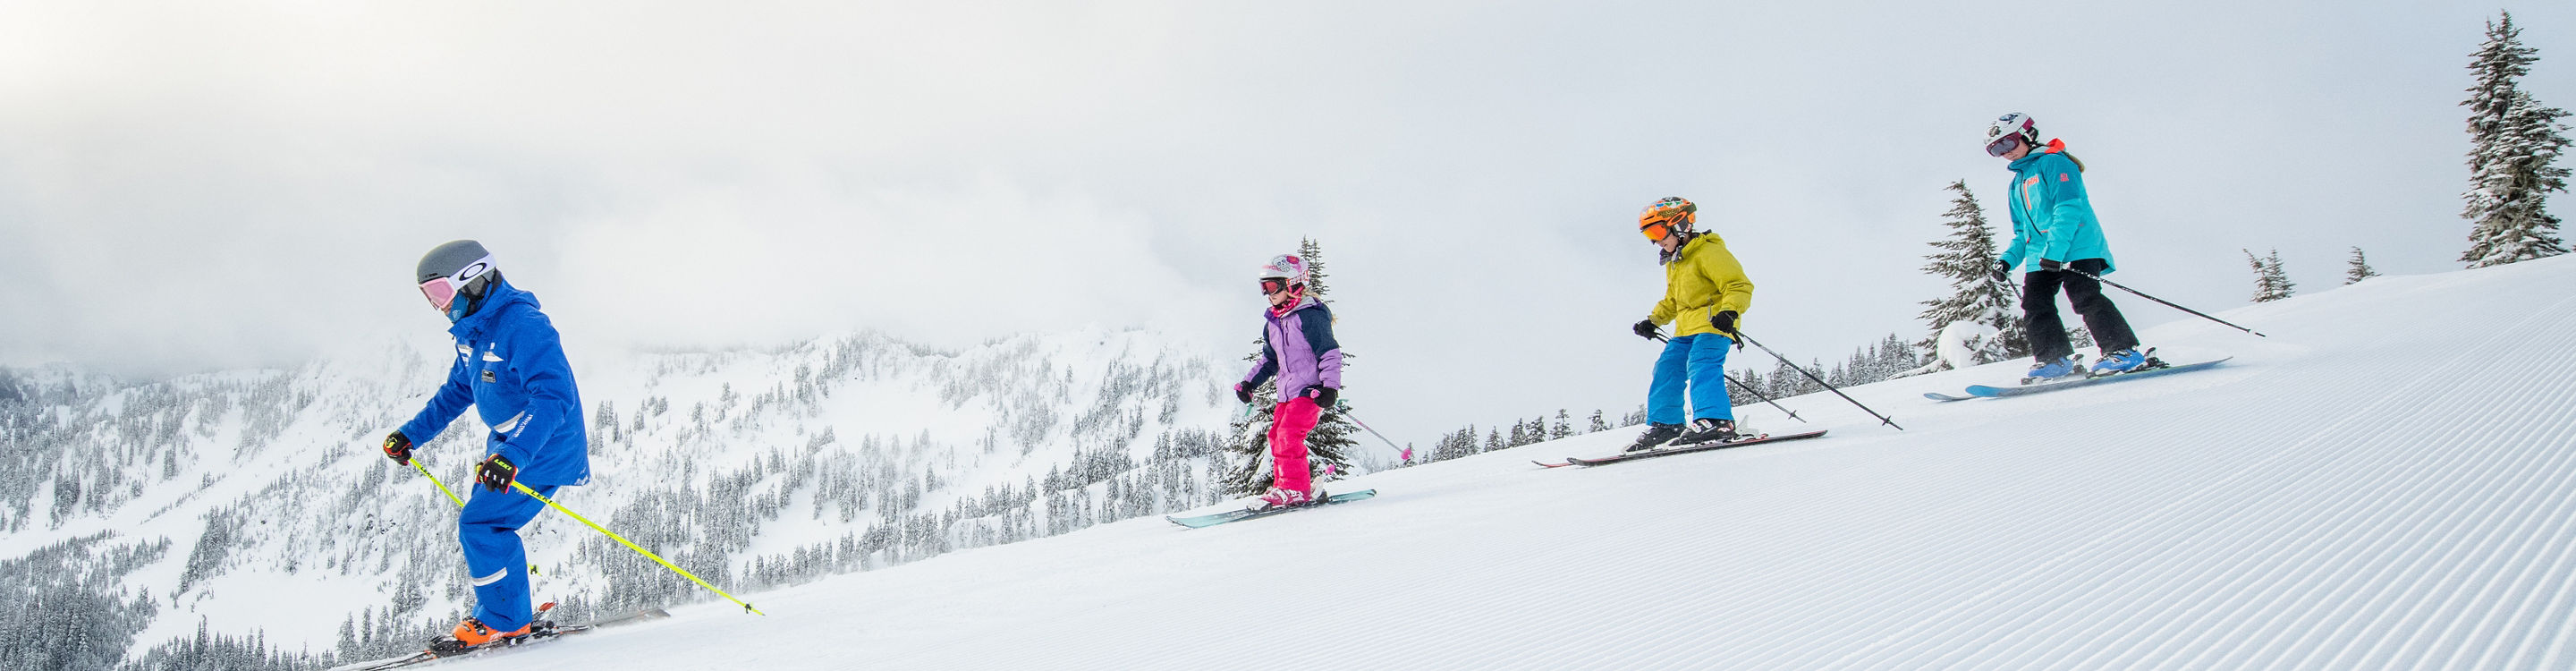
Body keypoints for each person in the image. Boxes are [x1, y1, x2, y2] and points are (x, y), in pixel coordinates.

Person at [378, 240, 591, 648]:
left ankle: (506, 620)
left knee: (482, 524)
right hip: (510, 446)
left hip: (543, 445)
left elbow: (554, 396)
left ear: (473, 281)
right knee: (486, 523)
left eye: (440, 292)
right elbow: (458, 391)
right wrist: (411, 435)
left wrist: (513, 454)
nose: (439, 306)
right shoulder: (474, 332)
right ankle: (510, 614)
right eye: (430, 297)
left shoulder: (523, 326)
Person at [1982, 113, 2150, 382]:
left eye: (2008, 143)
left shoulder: (2055, 163)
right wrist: (2007, 261)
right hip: (2042, 255)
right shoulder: (2016, 184)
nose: (2005, 153)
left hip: (2076, 246)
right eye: (1996, 150)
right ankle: (2054, 360)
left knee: (2084, 296)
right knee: (2035, 305)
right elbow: (2022, 233)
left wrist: (2056, 251)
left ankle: (2122, 351)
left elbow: (2068, 209)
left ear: (2027, 135)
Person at [1626, 197, 1755, 453]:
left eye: (1658, 231)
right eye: (1649, 234)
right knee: (1667, 368)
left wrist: (1729, 311)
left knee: (1701, 362)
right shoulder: (1677, 262)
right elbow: (1673, 300)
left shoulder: (1709, 252)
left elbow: (1738, 284)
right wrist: (1652, 321)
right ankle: (1667, 424)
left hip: (1714, 323)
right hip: (1686, 329)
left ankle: (1717, 421)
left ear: (1680, 224)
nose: (1655, 240)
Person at [1233, 253, 1343, 508]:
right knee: (1276, 435)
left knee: (1289, 434)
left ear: (1292, 283)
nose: (1267, 293)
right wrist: (1249, 383)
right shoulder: (1274, 321)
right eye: (1263, 287)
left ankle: (1296, 488)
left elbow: (1329, 352)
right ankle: (1286, 486)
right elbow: (1270, 360)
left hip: (1310, 391)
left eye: (1272, 286)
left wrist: (1329, 387)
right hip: (1287, 392)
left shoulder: (1311, 315)